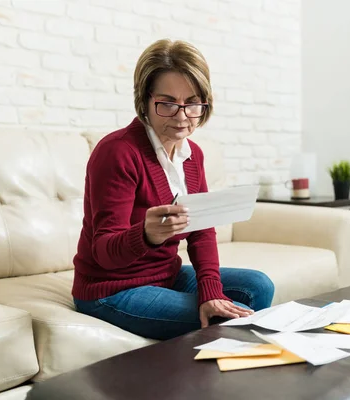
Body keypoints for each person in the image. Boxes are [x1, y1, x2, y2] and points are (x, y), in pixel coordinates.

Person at [72, 39, 275, 340]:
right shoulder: (117, 152)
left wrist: (210, 292)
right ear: (145, 100)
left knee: (258, 286)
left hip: (166, 275)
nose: (182, 117)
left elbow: (202, 232)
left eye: (192, 103)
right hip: (111, 288)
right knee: (224, 320)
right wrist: (145, 235)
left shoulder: (193, 155)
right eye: (167, 103)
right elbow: (103, 252)